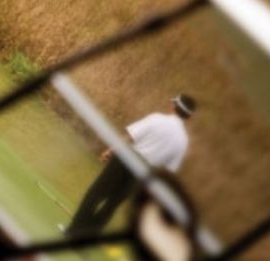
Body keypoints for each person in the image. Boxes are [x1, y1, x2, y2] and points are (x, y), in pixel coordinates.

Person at [63, 94, 197, 238]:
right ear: (188, 116)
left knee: (96, 193)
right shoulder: (183, 141)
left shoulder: (157, 119)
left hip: (126, 158)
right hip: (144, 172)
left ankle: (74, 231)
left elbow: (131, 137)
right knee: (112, 204)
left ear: (174, 106)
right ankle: (85, 238)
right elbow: (169, 170)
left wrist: (111, 150)